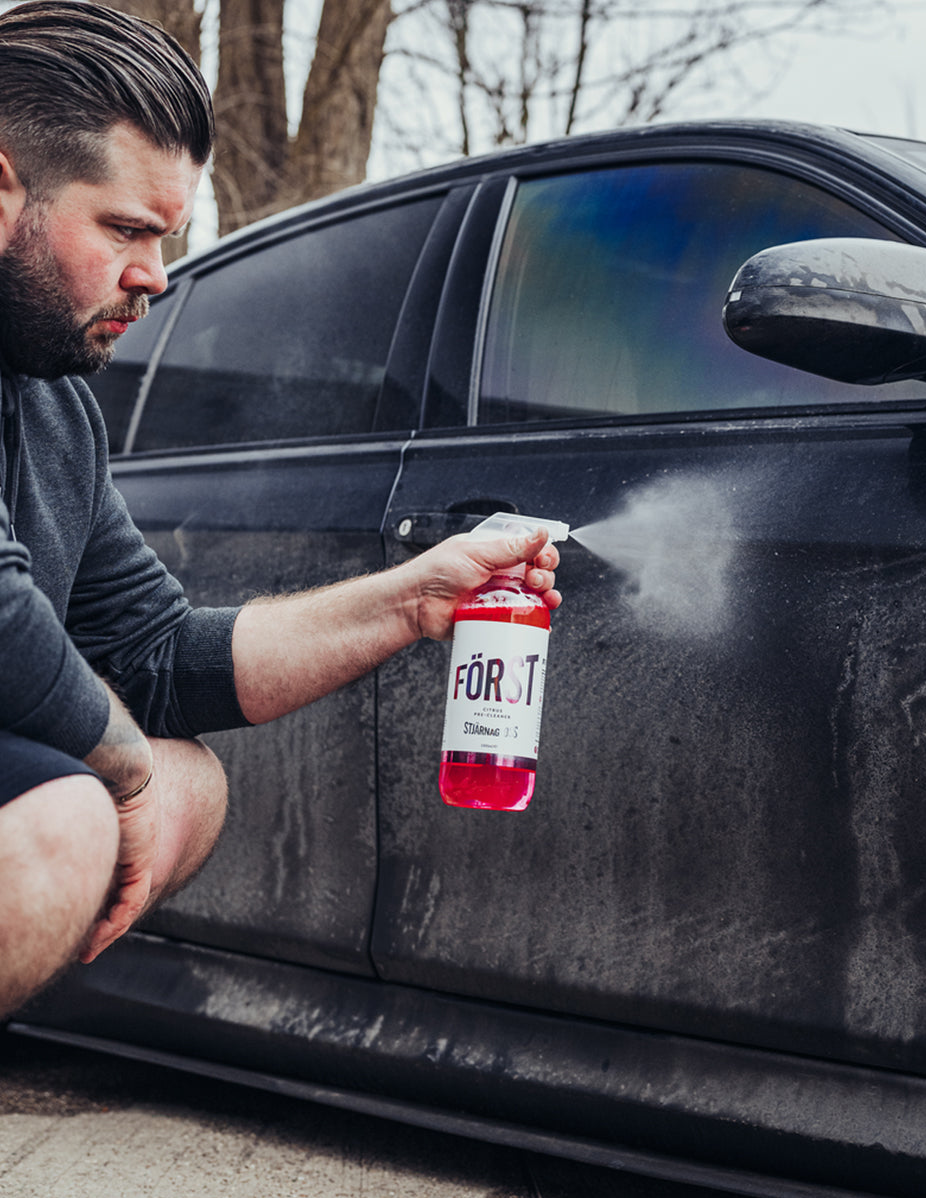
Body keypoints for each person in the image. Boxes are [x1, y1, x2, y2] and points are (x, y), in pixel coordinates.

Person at [0, 0, 560, 1018]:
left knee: (190, 783)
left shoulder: (55, 408)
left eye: (165, 236)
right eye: (124, 229)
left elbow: (154, 654)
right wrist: (122, 780)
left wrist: (413, 598)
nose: (154, 277)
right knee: (71, 814)